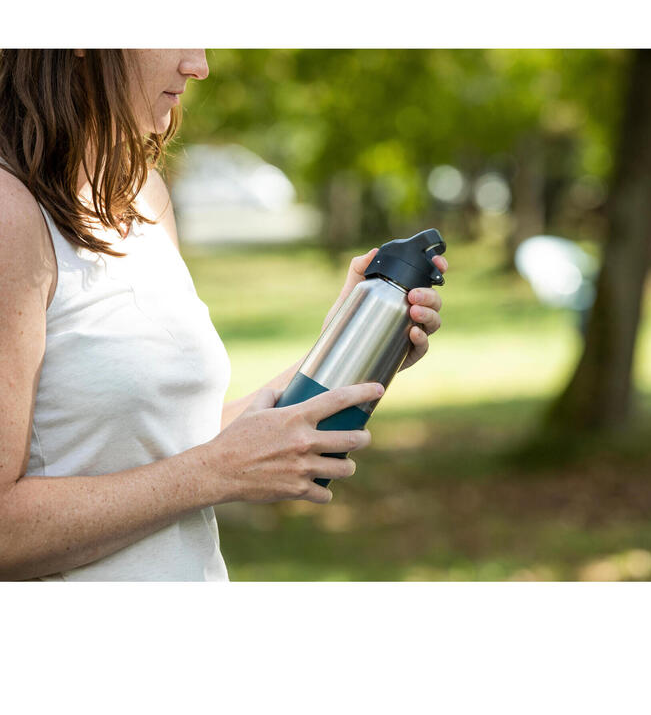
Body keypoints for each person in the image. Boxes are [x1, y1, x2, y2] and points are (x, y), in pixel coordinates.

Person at [0, 49, 447, 581]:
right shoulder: (11, 215)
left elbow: (164, 444)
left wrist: (346, 347)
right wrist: (212, 475)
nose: (199, 64)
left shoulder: (141, 193)